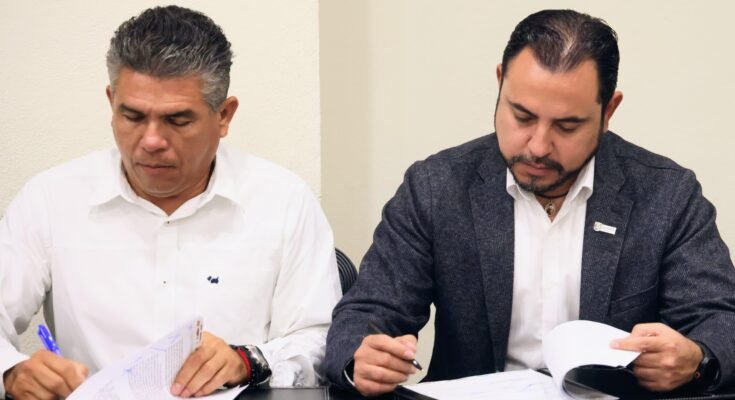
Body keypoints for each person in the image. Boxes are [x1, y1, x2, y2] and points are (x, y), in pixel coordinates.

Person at [325, 9, 735, 397]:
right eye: (522, 116)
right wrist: (362, 357)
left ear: (608, 110)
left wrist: (697, 359)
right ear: (500, 83)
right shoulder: (437, 187)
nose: (538, 146)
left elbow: (721, 321)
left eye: (566, 126)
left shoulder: (666, 195)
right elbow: (366, 313)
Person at [0, 5, 341, 399]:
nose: (151, 141)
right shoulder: (51, 199)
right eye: (132, 116)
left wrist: (248, 361)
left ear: (224, 116)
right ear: (111, 102)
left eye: (177, 120)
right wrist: (11, 372)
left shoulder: (283, 201)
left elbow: (320, 340)